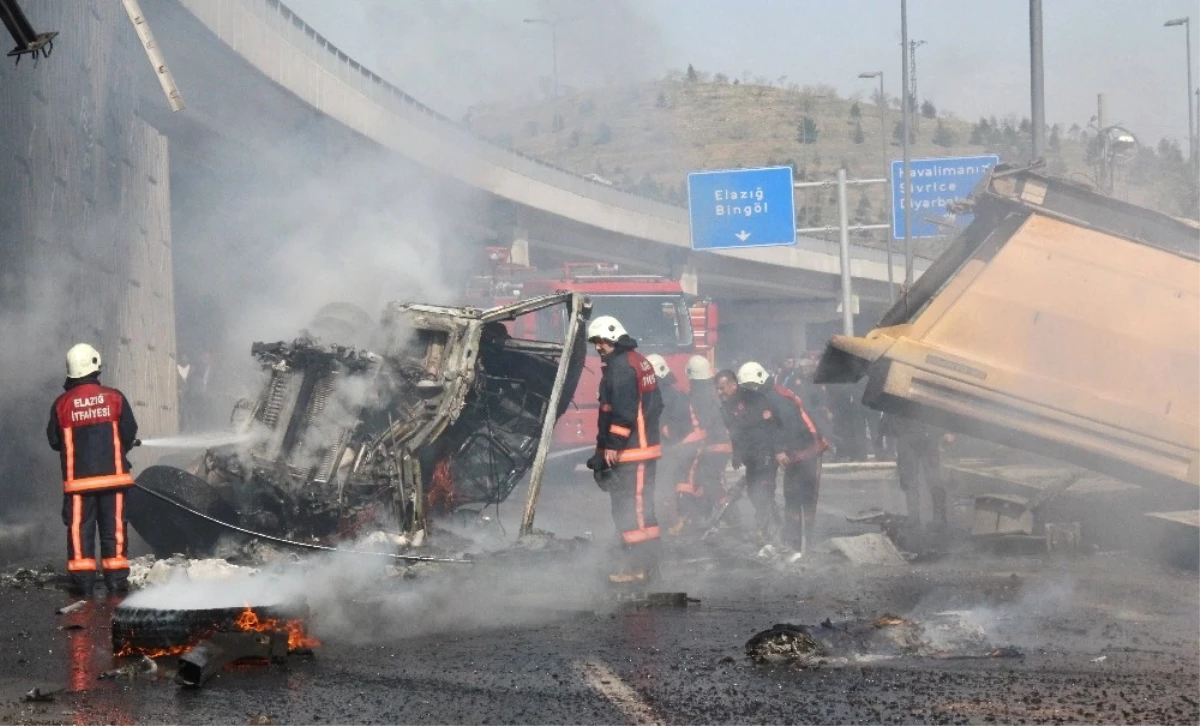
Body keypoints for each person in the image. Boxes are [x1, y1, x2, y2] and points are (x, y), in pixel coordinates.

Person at [47, 344, 138, 595]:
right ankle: (117, 583)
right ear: (95, 366)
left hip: (79, 486)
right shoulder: (115, 397)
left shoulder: (62, 404)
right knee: (114, 531)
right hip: (114, 482)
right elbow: (129, 433)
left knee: (80, 532)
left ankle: (83, 586)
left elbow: (54, 441)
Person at [586, 316, 664, 584]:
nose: (598, 346)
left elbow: (623, 412)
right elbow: (654, 406)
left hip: (633, 452)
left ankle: (640, 568)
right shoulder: (636, 360)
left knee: (636, 508)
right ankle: (643, 565)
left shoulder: (621, 367)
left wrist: (614, 445)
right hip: (639, 449)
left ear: (614, 337)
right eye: (594, 342)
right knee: (636, 506)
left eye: (601, 341)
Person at [745, 362, 828, 552]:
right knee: (792, 495)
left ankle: (805, 542)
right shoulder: (768, 395)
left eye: (750, 387)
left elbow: (789, 426)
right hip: (796, 451)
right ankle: (793, 539)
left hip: (809, 447)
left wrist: (780, 450)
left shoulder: (776, 396)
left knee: (805, 497)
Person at [718, 365, 784, 542]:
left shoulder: (753, 398)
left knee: (763, 489)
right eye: (717, 389)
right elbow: (735, 432)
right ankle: (773, 524)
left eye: (722, 388)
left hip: (765, 451)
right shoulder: (725, 406)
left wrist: (778, 450)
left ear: (733, 385)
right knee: (754, 492)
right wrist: (737, 454)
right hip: (750, 456)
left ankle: (768, 530)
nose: (719, 393)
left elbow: (772, 426)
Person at [675, 354, 728, 531]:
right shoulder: (712, 391)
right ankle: (708, 515)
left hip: (712, 445)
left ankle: (729, 516)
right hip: (722, 444)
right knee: (709, 480)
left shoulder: (699, 396)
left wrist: (682, 446)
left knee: (709, 480)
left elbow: (704, 426)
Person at [885, 414, 949, 528]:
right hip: (907, 432)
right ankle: (914, 518)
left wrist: (947, 429)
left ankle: (939, 518)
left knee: (933, 477)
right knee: (909, 478)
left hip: (926, 432)